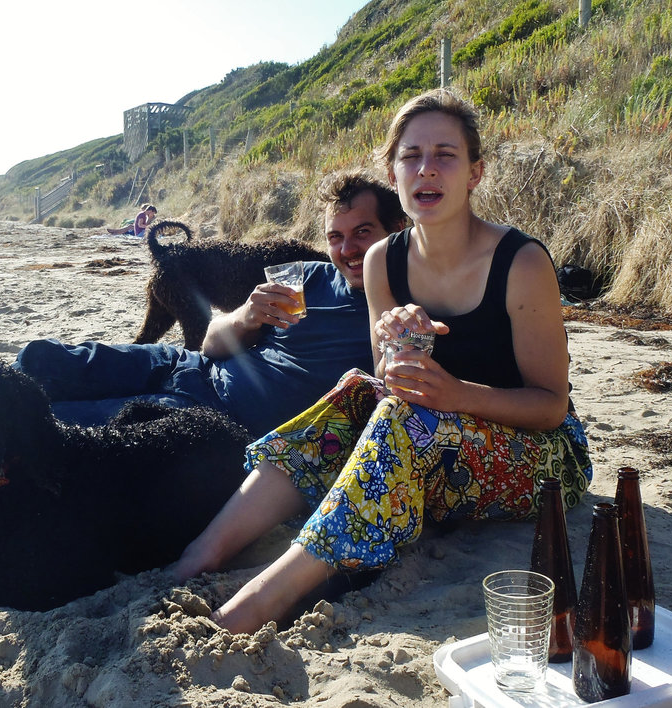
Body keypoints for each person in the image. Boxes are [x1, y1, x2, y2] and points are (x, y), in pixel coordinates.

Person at [173, 88, 593, 635]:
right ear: (393, 175)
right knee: (356, 389)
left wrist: (455, 394)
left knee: (403, 420)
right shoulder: (383, 262)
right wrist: (401, 348)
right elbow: (388, 385)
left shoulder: (521, 262)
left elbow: (552, 408)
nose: (427, 169)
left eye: (446, 155)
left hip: (544, 458)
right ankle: (200, 555)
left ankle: (260, 601)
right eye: (411, 156)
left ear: (475, 173)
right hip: (439, 434)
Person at [0, 171, 407, 485]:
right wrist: (244, 316)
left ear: (396, 231)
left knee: (45, 428)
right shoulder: (305, 274)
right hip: (190, 368)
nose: (347, 249)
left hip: (208, 418)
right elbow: (208, 343)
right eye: (336, 235)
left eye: (362, 233)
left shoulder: (400, 306)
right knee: (39, 360)